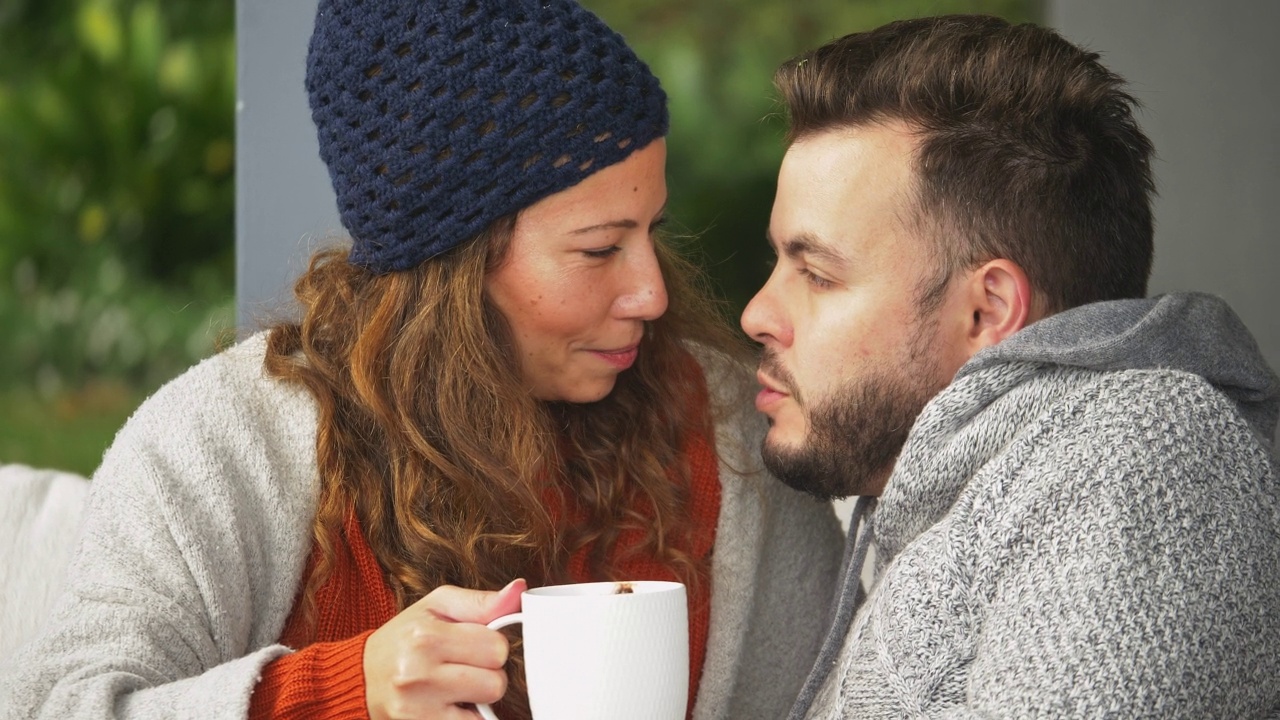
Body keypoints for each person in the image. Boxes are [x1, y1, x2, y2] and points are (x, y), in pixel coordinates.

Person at [0, 1, 844, 718]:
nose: (653, 296)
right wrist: (346, 691)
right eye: (597, 249)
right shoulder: (221, 447)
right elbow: (63, 703)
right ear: (453, 267)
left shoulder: (729, 436)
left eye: (649, 232)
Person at [740, 14, 1280, 719]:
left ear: (987, 312)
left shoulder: (1141, 455)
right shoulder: (955, 494)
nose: (756, 313)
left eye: (816, 274)